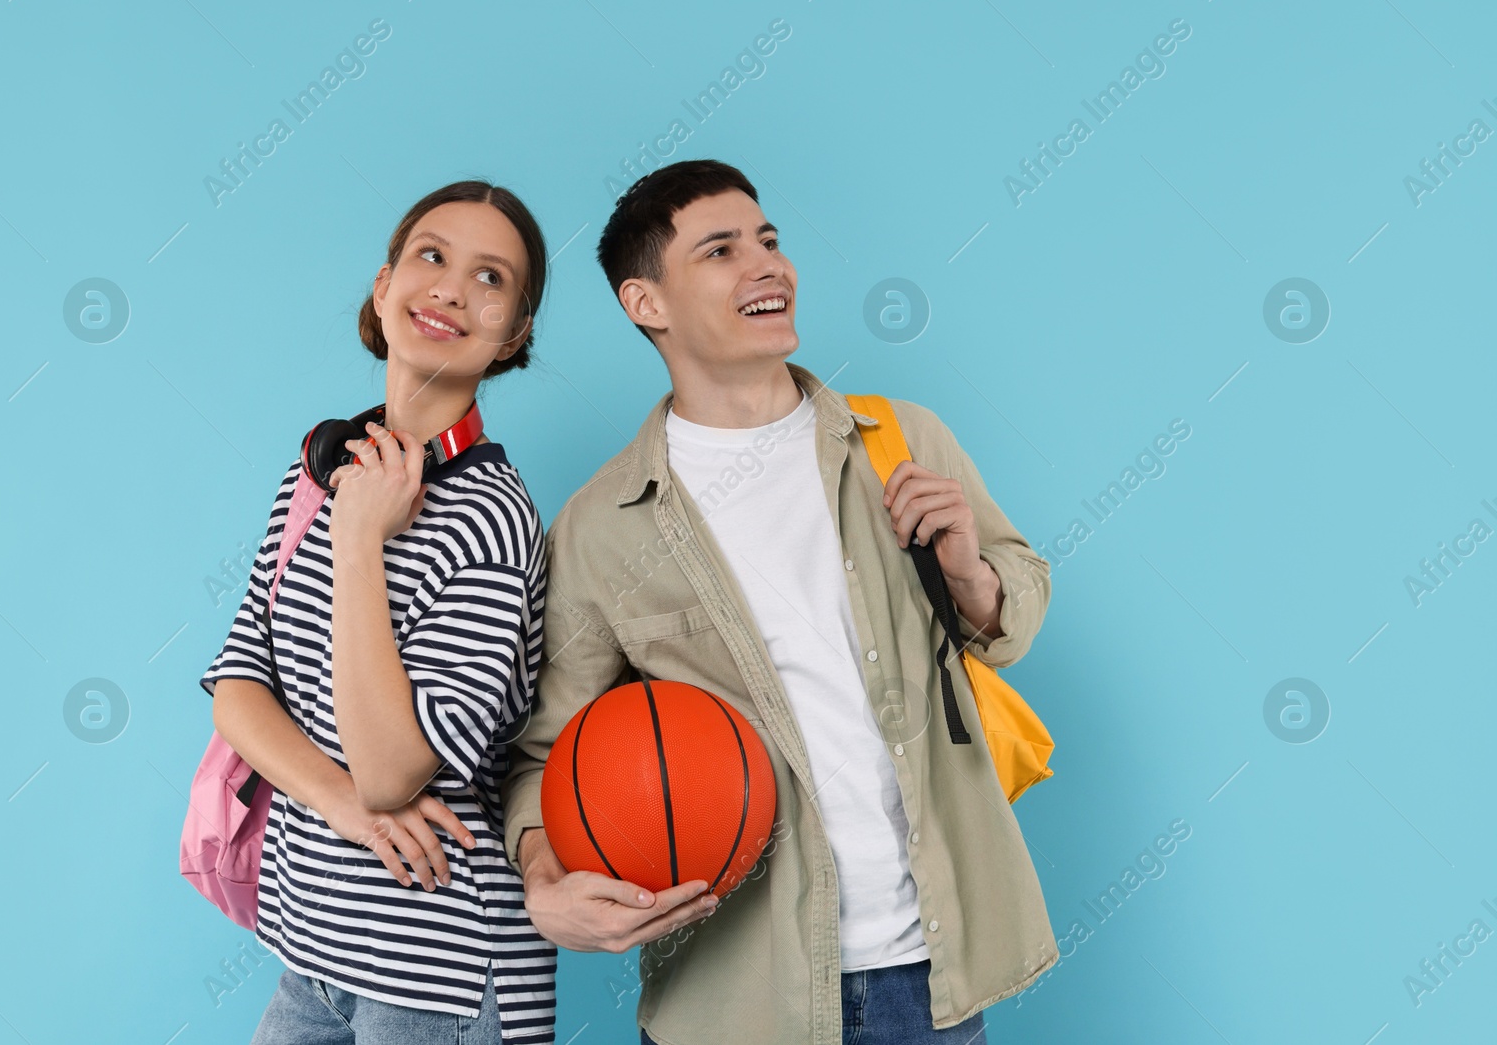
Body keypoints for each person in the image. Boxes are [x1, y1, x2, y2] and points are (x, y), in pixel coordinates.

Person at [501, 159, 1057, 1044]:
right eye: (720, 250)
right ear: (647, 303)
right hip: (734, 1001)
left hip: (930, 980)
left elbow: (1015, 603)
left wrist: (969, 575)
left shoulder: (901, 439)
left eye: (769, 240)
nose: (768, 265)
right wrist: (542, 880)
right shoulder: (601, 528)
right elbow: (541, 756)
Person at [201, 181, 557, 1045]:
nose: (449, 289)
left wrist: (360, 542)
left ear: (513, 334)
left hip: (440, 972)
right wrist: (337, 804)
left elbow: (395, 772)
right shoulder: (320, 470)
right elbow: (240, 684)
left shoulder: (494, 519)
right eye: (431, 257)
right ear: (384, 284)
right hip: (312, 951)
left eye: (490, 278)